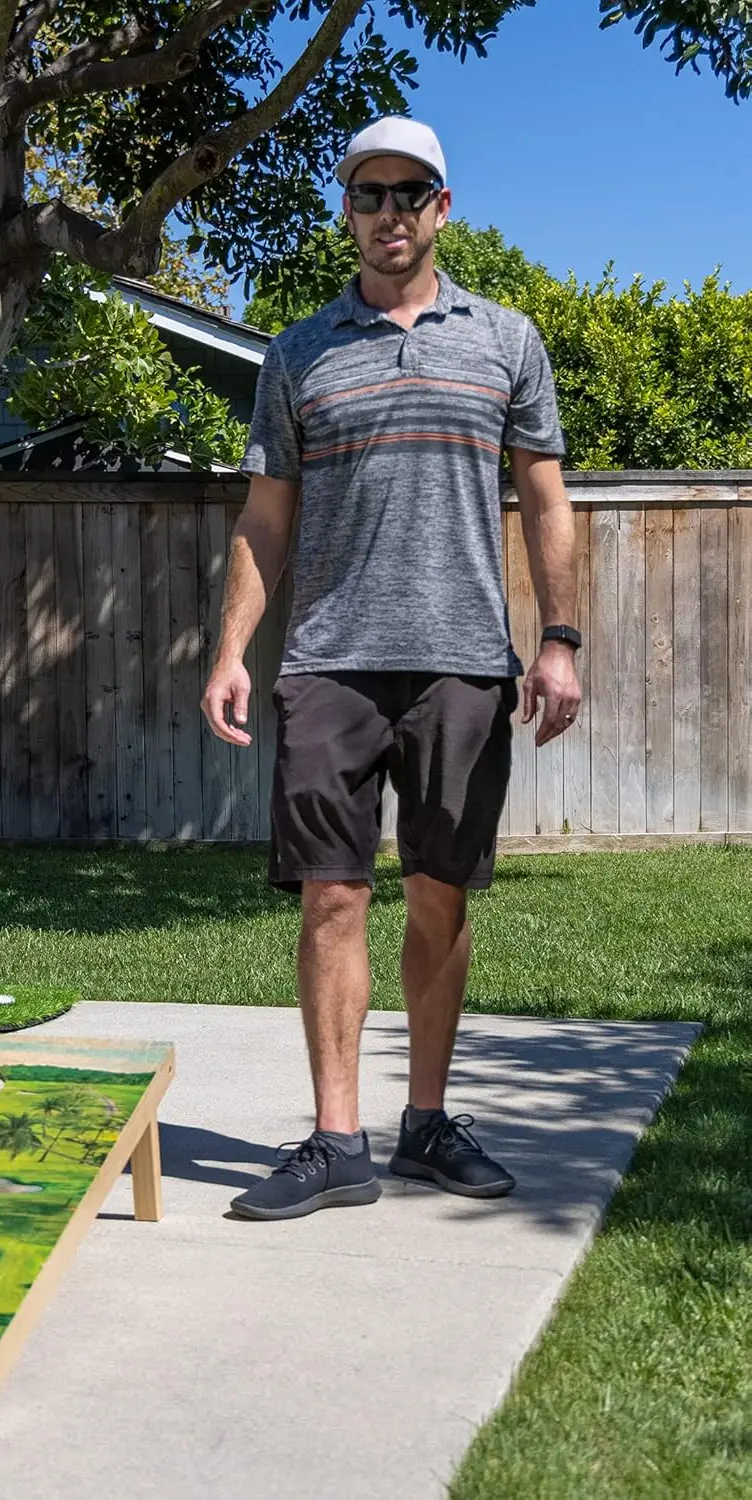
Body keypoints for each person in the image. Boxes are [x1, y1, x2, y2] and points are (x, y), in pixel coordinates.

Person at [201, 118, 581, 1221]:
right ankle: (336, 1140)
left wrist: (559, 639)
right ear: (349, 212)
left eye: (411, 192)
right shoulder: (298, 352)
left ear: (443, 207)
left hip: (463, 660)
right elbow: (265, 517)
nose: (390, 211)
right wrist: (231, 648)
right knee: (329, 897)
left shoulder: (507, 341)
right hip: (330, 659)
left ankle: (424, 1119)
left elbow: (547, 500)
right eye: (370, 193)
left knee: (438, 896)